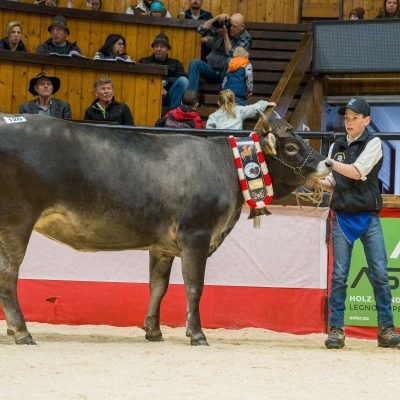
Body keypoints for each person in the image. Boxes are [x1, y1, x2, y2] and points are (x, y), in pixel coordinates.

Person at [318, 97, 400, 349]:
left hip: (368, 217)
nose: (349, 122)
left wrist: (330, 164)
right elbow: (332, 182)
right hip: (342, 216)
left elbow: (356, 171)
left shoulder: (374, 143)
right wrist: (313, 179)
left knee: (380, 275)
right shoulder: (336, 145)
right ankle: (336, 330)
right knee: (339, 276)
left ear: (366, 120)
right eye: (346, 118)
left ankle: (386, 330)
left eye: (355, 118)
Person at [187, 13, 252, 92]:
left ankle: (227, 97)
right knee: (194, 63)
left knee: (230, 60)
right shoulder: (224, 27)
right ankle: (191, 97)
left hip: (226, 74)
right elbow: (201, 30)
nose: (231, 28)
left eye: (235, 26)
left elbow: (232, 54)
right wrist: (217, 18)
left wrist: (225, 35)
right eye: (230, 24)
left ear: (242, 27)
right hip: (212, 69)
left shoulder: (245, 37)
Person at [139, 32, 189, 110]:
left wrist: (165, 82)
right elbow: (140, 79)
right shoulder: (144, 61)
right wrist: (157, 88)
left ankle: (173, 113)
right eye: (156, 46)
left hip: (168, 95)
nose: (159, 49)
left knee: (183, 81)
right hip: (147, 94)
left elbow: (181, 76)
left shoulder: (176, 63)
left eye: (162, 47)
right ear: (153, 48)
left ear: (167, 49)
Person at [206, 89, 275, 130]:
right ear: (233, 101)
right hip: (236, 142)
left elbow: (209, 131)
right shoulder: (239, 110)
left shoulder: (213, 116)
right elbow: (253, 108)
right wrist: (265, 103)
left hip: (220, 143)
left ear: (218, 103)